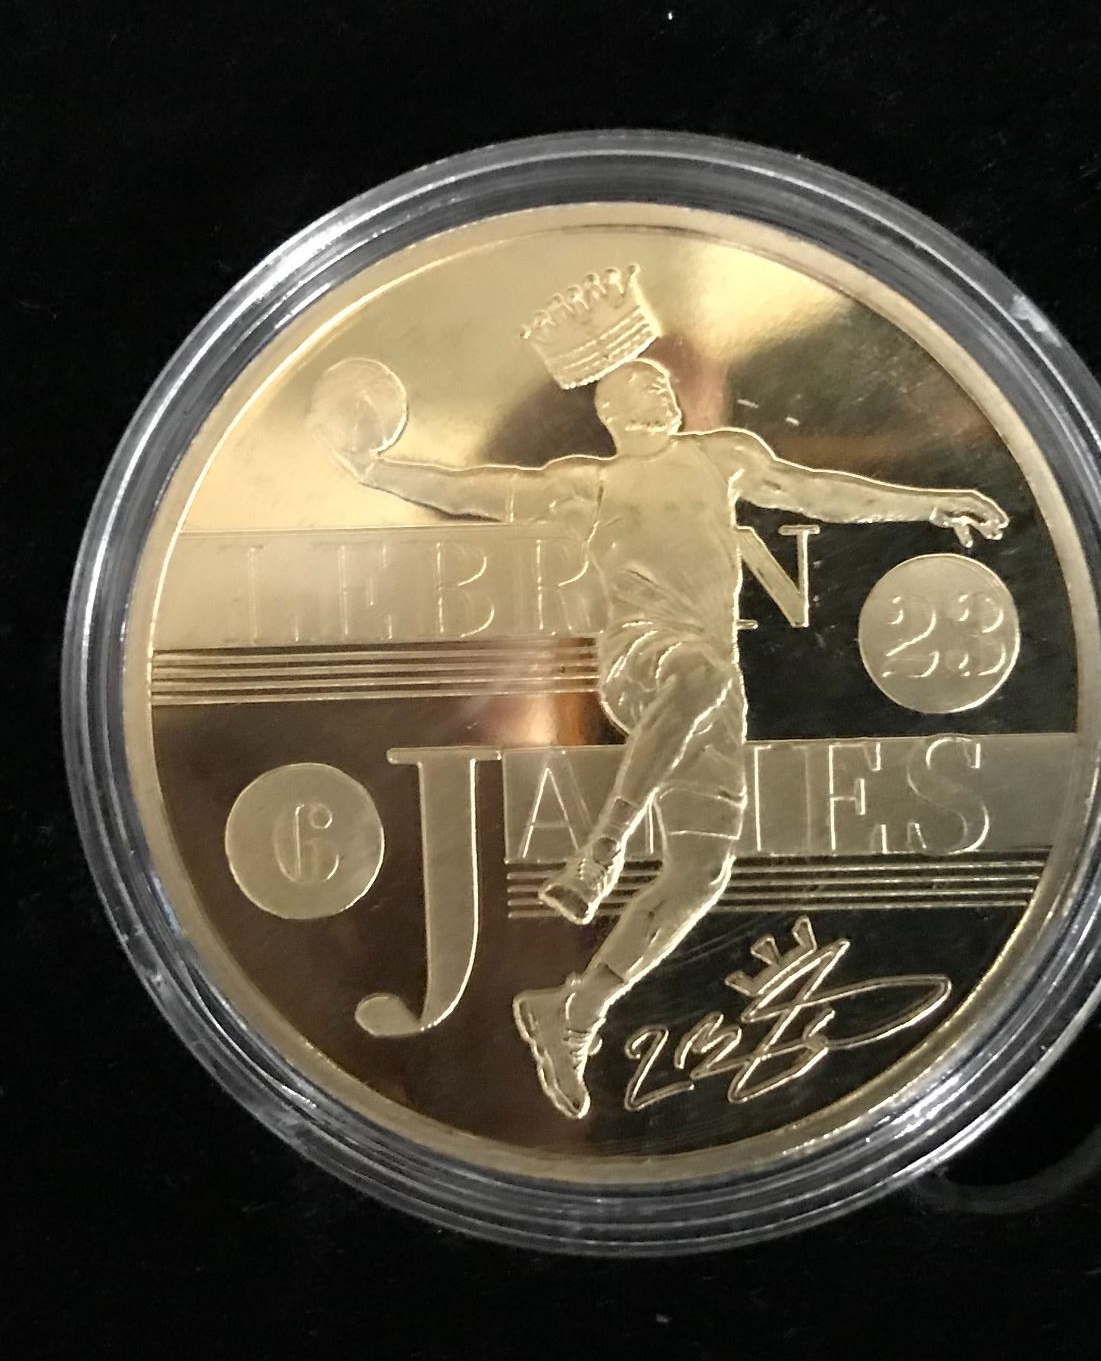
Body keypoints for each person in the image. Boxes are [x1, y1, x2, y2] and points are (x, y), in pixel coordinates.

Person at [334, 356, 1006, 1117]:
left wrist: (932, 502)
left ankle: (574, 1012)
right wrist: (376, 471)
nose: (658, 394)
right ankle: (602, 852)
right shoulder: (590, 485)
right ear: (610, 414)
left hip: (713, 689)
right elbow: (473, 490)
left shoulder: (724, 457)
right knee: (699, 673)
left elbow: (820, 492)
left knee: (701, 874)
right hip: (642, 661)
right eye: (639, 387)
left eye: (662, 386)